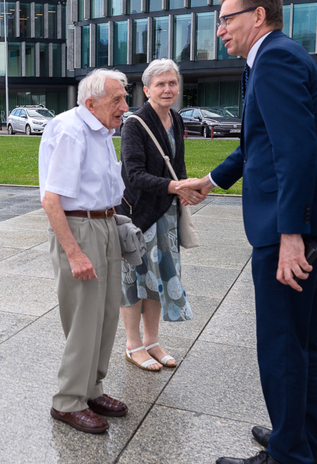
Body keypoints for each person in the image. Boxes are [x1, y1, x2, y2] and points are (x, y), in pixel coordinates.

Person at [182, 0, 317, 464]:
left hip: (301, 225)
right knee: (298, 342)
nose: (219, 29)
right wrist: (212, 180)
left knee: (282, 344)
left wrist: (290, 235)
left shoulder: (275, 60)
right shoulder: (274, 57)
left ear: (258, 16)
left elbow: (296, 152)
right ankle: (296, 440)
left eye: (226, 18)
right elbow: (260, 143)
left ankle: (290, 456)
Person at [39, 68, 130, 435]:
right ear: (90, 103)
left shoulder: (102, 129)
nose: (125, 105)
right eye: (118, 100)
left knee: (107, 314)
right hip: (79, 227)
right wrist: (74, 252)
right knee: (83, 320)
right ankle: (68, 402)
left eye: (124, 97)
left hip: (104, 224)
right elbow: (52, 200)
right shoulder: (71, 130)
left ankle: (92, 390)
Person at [117, 59, 203, 372]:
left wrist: (184, 192)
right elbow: (135, 175)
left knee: (158, 280)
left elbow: (176, 166)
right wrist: (175, 186)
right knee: (135, 282)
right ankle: (132, 344)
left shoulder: (176, 120)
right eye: (161, 84)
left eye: (172, 83)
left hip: (166, 214)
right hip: (139, 216)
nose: (167, 89)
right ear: (147, 89)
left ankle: (152, 341)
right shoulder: (134, 124)